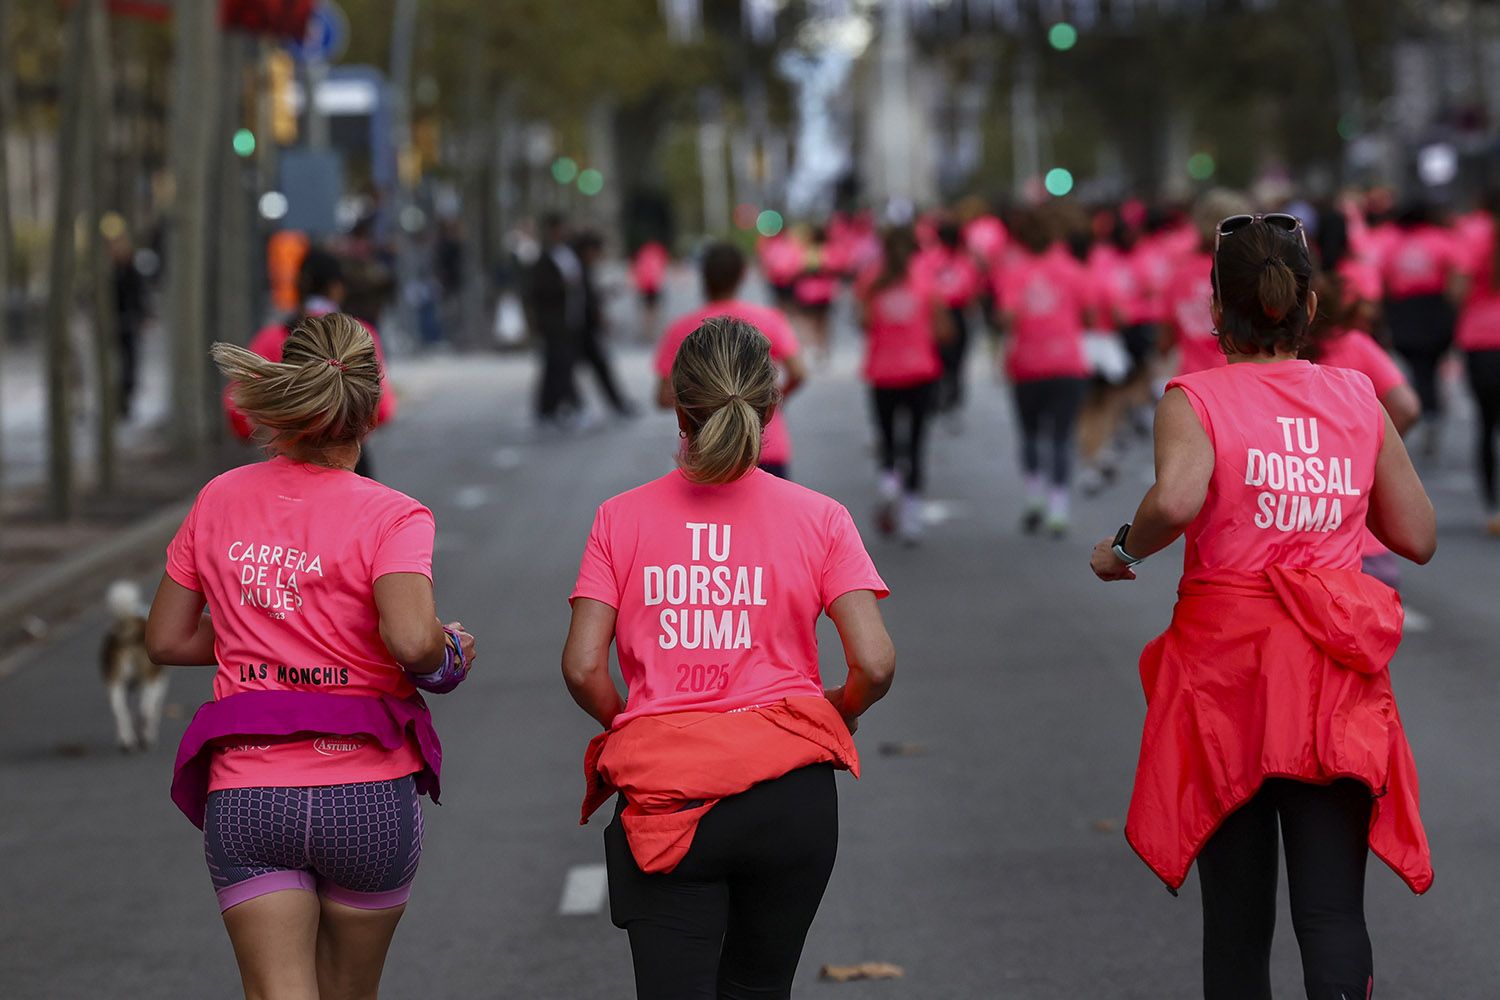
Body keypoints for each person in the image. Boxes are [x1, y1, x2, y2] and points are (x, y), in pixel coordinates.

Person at [1090, 216, 1435, 1000]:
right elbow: (1416, 535)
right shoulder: (1356, 395)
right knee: (1332, 912)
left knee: (1238, 923)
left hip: (1227, 680)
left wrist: (1123, 550)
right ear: (1309, 305)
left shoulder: (1195, 397)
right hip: (1331, 674)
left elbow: (1176, 500)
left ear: (1217, 310)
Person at [146, 313, 476, 1000]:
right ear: (372, 409)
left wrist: (264, 633)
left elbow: (168, 638)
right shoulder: (394, 516)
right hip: (366, 797)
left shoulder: (219, 498)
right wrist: (447, 652)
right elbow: (412, 641)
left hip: (250, 795)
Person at [564, 316, 895, 999]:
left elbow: (582, 666)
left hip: (668, 794)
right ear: (771, 409)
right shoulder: (821, 517)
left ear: (678, 408)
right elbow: (876, 661)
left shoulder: (619, 518)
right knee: (759, 988)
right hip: (791, 796)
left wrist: (634, 719)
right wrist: (839, 708)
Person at [225, 248, 397, 479]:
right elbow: (382, 411)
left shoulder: (270, 339)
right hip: (349, 468)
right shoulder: (361, 337)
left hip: (282, 466)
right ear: (336, 288)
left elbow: (238, 416)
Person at [655, 242, 806, 478]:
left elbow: (664, 397)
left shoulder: (680, 329)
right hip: (764, 449)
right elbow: (799, 372)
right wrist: (765, 398)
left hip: (703, 455)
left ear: (703, 275)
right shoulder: (770, 319)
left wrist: (706, 399)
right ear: (742, 275)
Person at [994, 207, 1095, 536]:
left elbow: (1006, 317)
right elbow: (1090, 314)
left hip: (1027, 363)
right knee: (1062, 436)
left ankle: (1034, 495)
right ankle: (1058, 506)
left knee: (1030, 433)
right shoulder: (1073, 269)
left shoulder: (1014, 272)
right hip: (1067, 363)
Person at [857, 225, 949, 543]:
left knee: (887, 437)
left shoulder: (870, 280)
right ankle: (912, 520)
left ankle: (889, 481)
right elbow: (943, 329)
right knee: (917, 443)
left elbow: (864, 322)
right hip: (921, 371)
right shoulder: (927, 279)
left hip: (882, 371)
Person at [1379, 202, 1467, 453]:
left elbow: (1385, 280)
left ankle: (1427, 406)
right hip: (1434, 307)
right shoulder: (1442, 239)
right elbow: (1457, 275)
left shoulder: (1394, 243)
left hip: (1405, 310)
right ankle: (1430, 407)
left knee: (1419, 366)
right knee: (1430, 364)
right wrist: (1452, 308)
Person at [1455, 196, 1500, 535]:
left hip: (1480, 339)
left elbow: (1457, 288)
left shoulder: (1473, 233)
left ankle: (1493, 507)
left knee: (1486, 425)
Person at [525, 213, 587, 429]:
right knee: (559, 364)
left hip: (571, 318)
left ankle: (550, 407)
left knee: (557, 365)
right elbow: (537, 291)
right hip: (553, 321)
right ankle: (566, 405)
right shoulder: (544, 259)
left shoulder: (569, 254)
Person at [573, 229, 638, 418]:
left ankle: (617, 404)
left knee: (597, 367)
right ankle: (569, 406)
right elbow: (584, 300)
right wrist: (598, 317)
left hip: (584, 329)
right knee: (565, 371)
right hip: (580, 329)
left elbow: (589, 297)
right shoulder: (578, 269)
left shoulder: (582, 268)